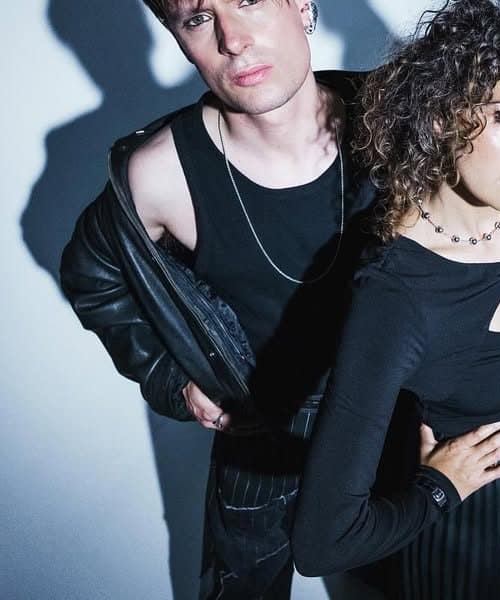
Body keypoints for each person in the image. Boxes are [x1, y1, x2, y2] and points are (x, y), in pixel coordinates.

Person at [290, 1, 500, 598]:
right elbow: (321, 542)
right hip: (480, 527)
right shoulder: (396, 296)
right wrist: (438, 490)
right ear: (442, 114)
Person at [59, 1, 372, 596]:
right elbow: (90, 277)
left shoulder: (391, 116)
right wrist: (172, 378)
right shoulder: (159, 172)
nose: (232, 38)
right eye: (198, 18)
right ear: (177, 37)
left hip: (395, 410)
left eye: (248, 0)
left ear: (302, 4)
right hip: (269, 434)